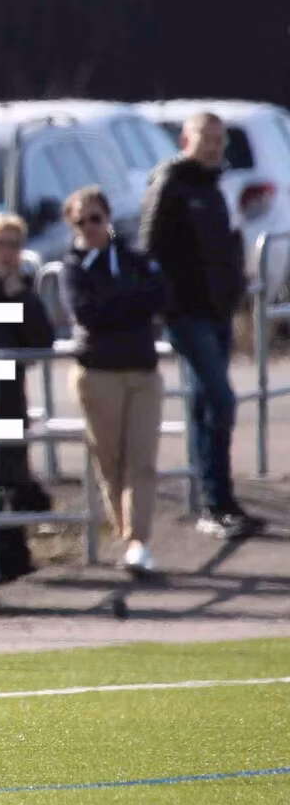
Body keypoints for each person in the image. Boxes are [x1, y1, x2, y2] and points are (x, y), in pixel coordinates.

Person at [140, 111, 262, 539]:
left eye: (219, 139)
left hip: (218, 310)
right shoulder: (170, 183)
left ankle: (218, 500)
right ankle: (214, 502)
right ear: (185, 140)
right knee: (220, 400)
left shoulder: (215, 186)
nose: (213, 146)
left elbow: (228, 244)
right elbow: (149, 247)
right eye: (205, 138)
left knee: (205, 405)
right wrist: (168, 303)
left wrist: (235, 291)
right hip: (188, 314)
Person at [60, 187, 169, 576]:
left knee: (142, 457)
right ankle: (126, 533)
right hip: (98, 372)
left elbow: (158, 296)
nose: (90, 227)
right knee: (110, 461)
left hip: (142, 369)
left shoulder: (134, 258)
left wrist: (118, 301)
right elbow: (86, 313)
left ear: (107, 218)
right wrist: (129, 302)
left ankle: (139, 541)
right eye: (81, 221)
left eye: (96, 218)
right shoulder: (73, 268)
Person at [0, 212, 57, 585]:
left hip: (8, 395)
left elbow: (41, 340)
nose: (7, 253)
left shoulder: (18, 289)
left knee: (10, 474)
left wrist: (20, 293)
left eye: (15, 245)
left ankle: (13, 558)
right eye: (0, 244)